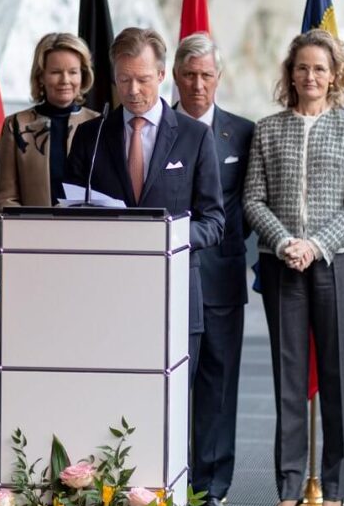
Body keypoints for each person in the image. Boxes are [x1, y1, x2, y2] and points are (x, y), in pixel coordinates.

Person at [243, 28, 344, 506]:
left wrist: (314, 245)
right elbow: (253, 198)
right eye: (301, 68)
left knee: (336, 377)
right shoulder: (268, 129)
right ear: (289, 74)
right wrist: (285, 243)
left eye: (319, 68)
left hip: (338, 263)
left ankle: (335, 489)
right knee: (288, 377)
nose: (310, 76)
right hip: (281, 264)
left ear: (334, 74)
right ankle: (289, 487)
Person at [64, 27, 224, 380]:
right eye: (124, 80)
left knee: (171, 410)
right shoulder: (92, 135)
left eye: (143, 80)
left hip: (174, 295)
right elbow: (68, 212)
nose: (133, 91)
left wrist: (168, 238)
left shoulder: (194, 136)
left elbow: (213, 221)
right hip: (107, 296)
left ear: (163, 75)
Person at [172, 33, 255, 506]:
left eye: (206, 75)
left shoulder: (241, 134)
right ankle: (167, 476)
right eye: (189, 75)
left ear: (218, 79)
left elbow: (247, 204)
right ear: (175, 78)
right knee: (168, 384)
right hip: (165, 279)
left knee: (218, 386)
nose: (198, 84)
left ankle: (211, 488)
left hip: (221, 279)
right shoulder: (159, 127)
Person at [0, 32, 99, 212]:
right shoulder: (17, 125)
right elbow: (5, 199)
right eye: (56, 72)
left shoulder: (100, 124)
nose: (65, 80)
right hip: (31, 236)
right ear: (41, 76)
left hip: (90, 234)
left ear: (82, 76)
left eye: (73, 72)